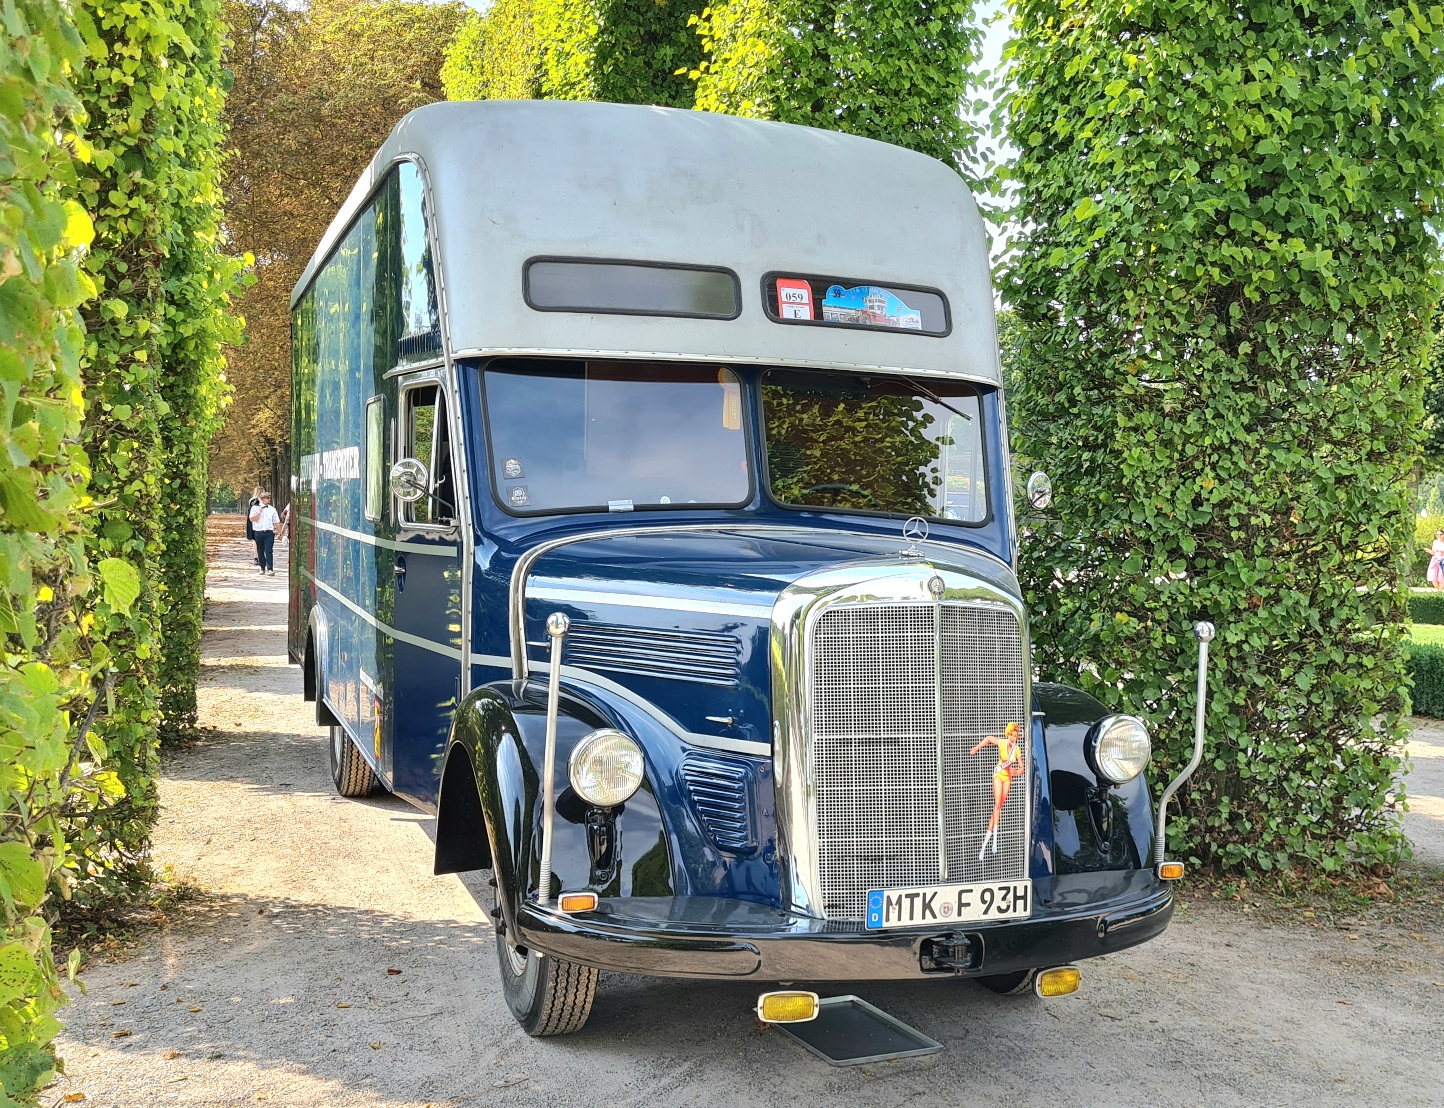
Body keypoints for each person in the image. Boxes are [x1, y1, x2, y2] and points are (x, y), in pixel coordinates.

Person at [970, 721, 1024, 859]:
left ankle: (988, 843)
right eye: (1011, 735)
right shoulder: (1002, 743)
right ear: (1008, 734)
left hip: (1008, 777)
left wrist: (1016, 772)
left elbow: (1022, 768)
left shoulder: (1017, 750)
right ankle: (992, 841)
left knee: (998, 807)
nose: (1013, 738)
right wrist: (977, 748)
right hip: (998, 774)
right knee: (997, 802)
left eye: (1015, 736)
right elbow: (988, 739)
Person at [250, 492, 280, 576]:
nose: (269, 499)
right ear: (262, 499)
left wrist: (280, 532)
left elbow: (276, 522)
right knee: (260, 551)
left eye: (269, 498)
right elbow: (252, 519)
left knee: (269, 550)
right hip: (258, 532)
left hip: (269, 532)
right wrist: (259, 512)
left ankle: (270, 569)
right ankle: (262, 568)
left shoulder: (272, 509)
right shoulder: (255, 508)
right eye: (267, 498)